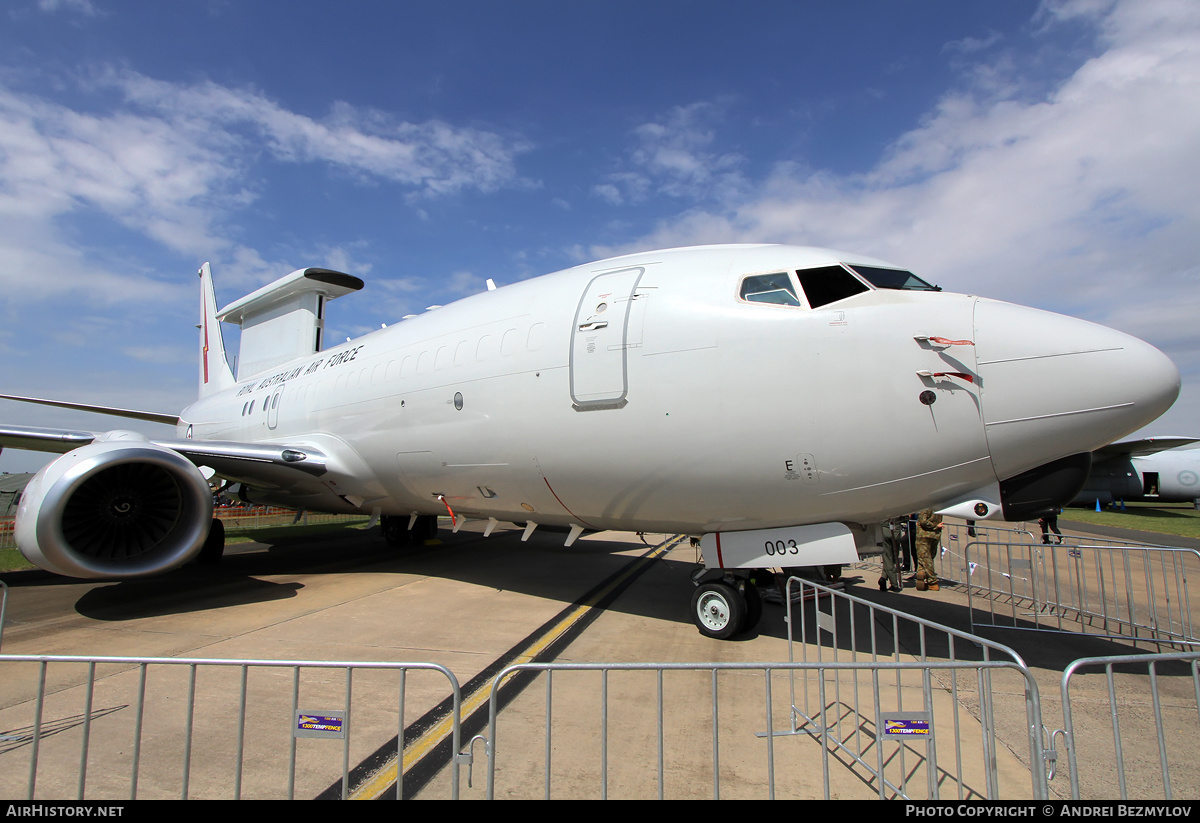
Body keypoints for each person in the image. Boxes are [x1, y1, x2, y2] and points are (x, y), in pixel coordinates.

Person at [915, 508, 942, 591]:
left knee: (925, 558)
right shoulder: (939, 507)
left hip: (924, 534)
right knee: (928, 557)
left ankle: (932, 581)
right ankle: (921, 572)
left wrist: (934, 525)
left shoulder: (926, 506)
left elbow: (923, 521)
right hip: (935, 535)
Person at [879, 518, 903, 592]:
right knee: (891, 558)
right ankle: (893, 583)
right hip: (896, 530)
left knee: (888, 558)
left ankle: (884, 578)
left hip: (885, 530)